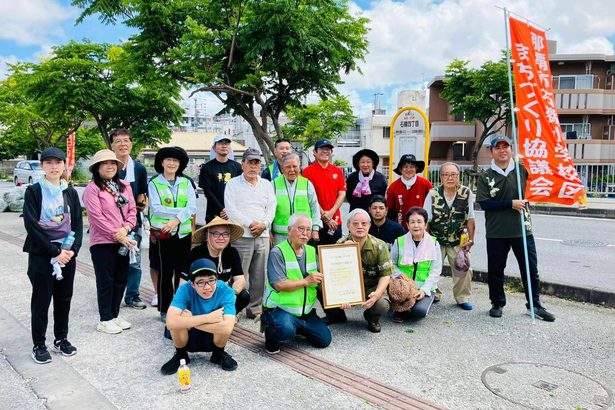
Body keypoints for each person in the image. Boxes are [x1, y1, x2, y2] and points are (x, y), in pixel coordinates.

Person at [476, 136, 555, 321]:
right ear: (491, 152)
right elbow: (485, 203)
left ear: (511, 149)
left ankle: (534, 305)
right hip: (497, 232)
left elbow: (539, 187)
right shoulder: (486, 176)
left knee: (530, 269)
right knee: (496, 269)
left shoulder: (523, 171)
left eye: (506, 146)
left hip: (522, 230)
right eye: (498, 147)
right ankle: (497, 303)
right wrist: (510, 203)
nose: (502, 150)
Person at [23, 147, 83, 363]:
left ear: (64, 165)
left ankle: (61, 338)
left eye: (57, 162)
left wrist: (71, 251)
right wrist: (54, 252)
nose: (54, 166)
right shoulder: (34, 191)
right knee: (41, 300)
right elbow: (32, 225)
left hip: (67, 254)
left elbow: (77, 222)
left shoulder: (70, 191)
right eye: (48, 163)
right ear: (42, 166)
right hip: (42, 254)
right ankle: (39, 344)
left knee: (64, 298)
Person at [83, 149, 137, 334]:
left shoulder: (124, 186)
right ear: (97, 167)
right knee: (106, 281)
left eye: (113, 163)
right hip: (102, 242)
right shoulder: (92, 189)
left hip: (123, 240)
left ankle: (114, 314)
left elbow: (132, 211)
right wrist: (117, 233)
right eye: (105, 163)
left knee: (121, 279)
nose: (110, 166)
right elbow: (96, 217)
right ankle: (105, 319)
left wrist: (126, 229)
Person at [263, 214, 332, 354]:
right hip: (280, 308)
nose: (305, 233)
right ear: (289, 230)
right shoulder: (277, 252)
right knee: (285, 331)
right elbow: (279, 285)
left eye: (308, 229)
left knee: (324, 340)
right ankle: (270, 333)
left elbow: (321, 279)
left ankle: (298, 326)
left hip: (305, 311)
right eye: (300, 229)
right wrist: (307, 281)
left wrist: (340, 297)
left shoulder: (312, 251)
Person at [160, 258, 238, 375]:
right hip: (189, 336)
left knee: (222, 320)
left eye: (211, 280)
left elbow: (227, 328)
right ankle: (181, 356)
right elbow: (170, 322)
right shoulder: (184, 288)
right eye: (201, 282)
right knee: (177, 319)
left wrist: (190, 321)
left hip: (213, 335)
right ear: (192, 284)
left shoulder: (226, 291)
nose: (207, 287)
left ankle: (218, 355)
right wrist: (208, 318)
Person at [224, 148, 276, 319]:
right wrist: (251, 223)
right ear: (243, 164)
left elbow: (271, 208)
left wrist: (264, 224)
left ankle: (255, 308)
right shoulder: (233, 184)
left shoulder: (266, 184)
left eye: (256, 163)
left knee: (259, 275)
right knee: (240, 274)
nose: (253, 167)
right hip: (241, 236)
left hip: (261, 235)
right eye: (250, 163)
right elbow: (231, 210)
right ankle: (236, 308)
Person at [323, 209, 392, 333]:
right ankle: (336, 315)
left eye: (364, 223)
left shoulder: (379, 246)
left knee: (382, 304)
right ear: (348, 225)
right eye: (355, 223)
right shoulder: (341, 243)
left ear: (369, 226)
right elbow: (333, 273)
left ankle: (372, 318)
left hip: (370, 288)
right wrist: (341, 294)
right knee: (319, 285)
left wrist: (376, 294)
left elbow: (386, 275)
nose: (360, 227)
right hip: (347, 287)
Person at [148, 147, 197, 322]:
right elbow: (156, 208)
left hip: (183, 234)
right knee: (165, 272)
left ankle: (179, 306)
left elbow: (192, 207)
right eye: (168, 160)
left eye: (175, 161)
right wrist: (181, 213)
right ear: (161, 162)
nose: (171, 163)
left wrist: (176, 220)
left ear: (180, 164)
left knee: (182, 272)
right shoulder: (154, 183)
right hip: (164, 234)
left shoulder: (186, 182)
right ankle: (164, 308)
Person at [424, 162, 475, 311]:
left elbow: (470, 218)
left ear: (458, 176)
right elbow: (427, 219)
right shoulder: (433, 194)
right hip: (436, 238)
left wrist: (471, 240)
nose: (450, 178)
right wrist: (426, 242)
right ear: (441, 177)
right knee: (431, 267)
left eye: (453, 174)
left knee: (463, 268)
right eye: (446, 174)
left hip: (458, 239)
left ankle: (462, 297)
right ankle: (434, 293)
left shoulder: (466, 193)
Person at [109, 128, 149, 310]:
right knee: (111, 261)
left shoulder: (139, 168)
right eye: (118, 141)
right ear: (111, 145)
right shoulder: (108, 165)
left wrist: (137, 207)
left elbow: (142, 196)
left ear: (131, 144)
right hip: (110, 225)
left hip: (133, 222)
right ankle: (110, 295)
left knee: (134, 260)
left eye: (126, 140)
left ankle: (132, 295)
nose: (123, 144)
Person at [183, 217, 249, 314]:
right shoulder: (196, 253)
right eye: (216, 234)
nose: (221, 238)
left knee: (244, 296)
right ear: (207, 236)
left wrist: (233, 293)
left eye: (225, 234)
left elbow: (240, 279)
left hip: (220, 295)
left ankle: (226, 316)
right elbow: (183, 282)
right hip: (201, 294)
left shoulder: (232, 252)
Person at [390, 207, 442, 321]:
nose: (416, 225)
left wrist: (424, 290)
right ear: (407, 225)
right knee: (400, 305)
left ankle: (414, 306)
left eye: (419, 221)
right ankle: (403, 307)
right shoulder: (399, 241)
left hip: (423, 287)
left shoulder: (434, 243)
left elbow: (436, 270)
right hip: (403, 287)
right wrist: (398, 274)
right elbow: (391, 263)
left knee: (419, 312)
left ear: (425, 224)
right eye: (412, 222)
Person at [302, 139, 346, 245]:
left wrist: (331, 213)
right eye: (322, 149)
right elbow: (309, 197)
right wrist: (324, 216)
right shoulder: (308, 172)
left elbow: (342, 194)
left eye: (328, 149)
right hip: (315, 222)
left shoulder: (337, 171)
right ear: (314, 152)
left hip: (335, 221)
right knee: (314, 254)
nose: (325, 151)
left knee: (334, 254)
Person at [272, 153, 322, 245]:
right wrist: (268, 232)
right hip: (280, 235)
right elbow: (268, 210)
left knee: (302, 258)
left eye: (294, 166)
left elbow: (315, 208)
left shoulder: (307, 184)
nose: (292, 170)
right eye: (288, 167)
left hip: (303, 234)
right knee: (281, 258)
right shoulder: (273, 184)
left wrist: (315, 229)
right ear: (282, 169)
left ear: (299, 167)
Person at [198, 135, 242, 223]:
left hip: (234, 213)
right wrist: (222, 209)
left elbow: (241, 190)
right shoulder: (207, 167)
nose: (224, 146)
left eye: (227, 143)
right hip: (213, 214)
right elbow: (208, 192)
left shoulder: (237, 166)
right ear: (214, 147)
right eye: (221, 143)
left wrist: (229, 210)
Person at [386, 154, 432, 230]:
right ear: (400, 169)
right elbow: (390, 211)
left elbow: (431, 206)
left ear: (416, 168)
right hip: (400, 227)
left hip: (420, 227)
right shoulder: (393, 187)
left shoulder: (426, 184)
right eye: (405, 167)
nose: (408, 169)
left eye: (412, 167)